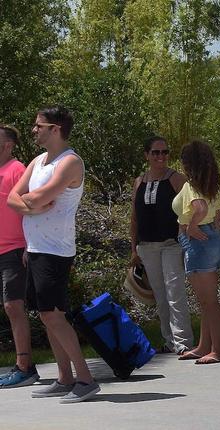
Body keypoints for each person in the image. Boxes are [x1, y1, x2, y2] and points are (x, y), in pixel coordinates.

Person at [7, 106, 99, 402]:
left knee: (53, 315)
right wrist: (27, 206)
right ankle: (65, 378)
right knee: (46, 317)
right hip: (34, 248)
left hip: (55, 250)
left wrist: (30, 202)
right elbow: (13, 198)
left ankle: (85, 379)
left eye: (39, 126)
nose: (34, 130)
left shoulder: (70, 162)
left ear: (55, 129)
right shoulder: (37, 161)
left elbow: (40, 196)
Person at [129, 136, 194, 355]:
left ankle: (183, 341)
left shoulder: (177, 179)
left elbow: (192, 210)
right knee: (159, 295)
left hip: (171, 244)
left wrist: (186, 236)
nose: (161, 157)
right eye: (156, 152)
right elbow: (134, 217)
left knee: (175, 291)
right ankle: (168, 340)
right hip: (147, 246)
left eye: (165, 152)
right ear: (147, 155)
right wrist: (133, 248)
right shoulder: (139, 181)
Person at [173, 140, 220, 365]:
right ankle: (205, 345)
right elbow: (216, 214)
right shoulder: (211, 185)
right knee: (206, 300)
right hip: (213, 241)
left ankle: (218, 350)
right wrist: (210, 228)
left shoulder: (191, 186)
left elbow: (201, 208)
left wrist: (192, 226)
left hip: (197, 243)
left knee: (209, 302)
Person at [0, 125, 40, 388]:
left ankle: (24, 367)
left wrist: (28, 245)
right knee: (10, 306)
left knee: (14, 306)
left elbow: (32, 207)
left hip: (15, 248)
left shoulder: (18, 170)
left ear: (9, 144)